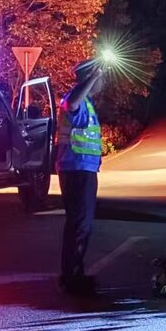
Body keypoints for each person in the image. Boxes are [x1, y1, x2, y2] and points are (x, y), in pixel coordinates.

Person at [56, 59, 105, 296]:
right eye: (99, 77)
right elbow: (72, 103)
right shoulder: (75, 98)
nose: (103, 81)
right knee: (80, 224)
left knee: (79, 224)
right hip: (76, 169)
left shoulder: (88, 102)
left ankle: (74, 274)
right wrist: (93, 77)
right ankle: (71, 277)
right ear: (89, 77)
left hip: (83, 168)